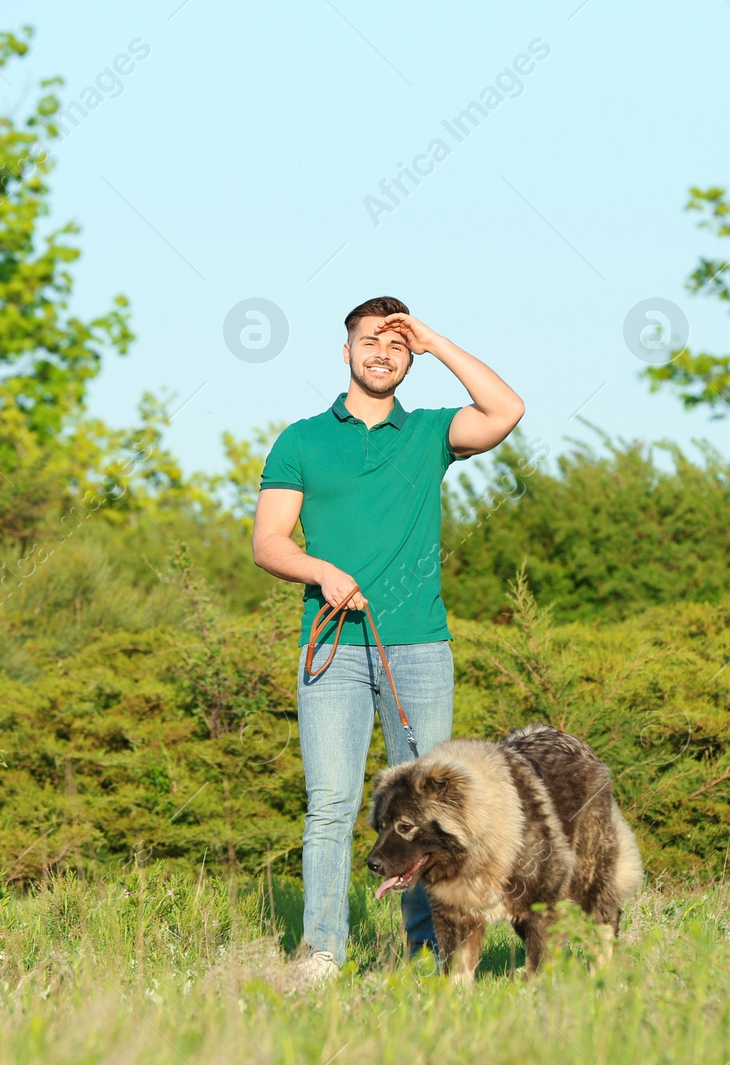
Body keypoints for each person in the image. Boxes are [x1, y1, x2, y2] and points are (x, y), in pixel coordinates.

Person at [251, 296, 525, 985]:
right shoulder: (303, 440)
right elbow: (267, 541)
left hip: (420, 651)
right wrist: (320, 570)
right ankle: (320, 953)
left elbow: (506, 410)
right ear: (346, 352)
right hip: (334, 646)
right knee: (331, 806)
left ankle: (428, 951)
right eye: (371, 340)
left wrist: (436, 339)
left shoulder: (430, 432)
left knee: (428, 813)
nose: (383, 352)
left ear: (409, 359)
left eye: (397, 344)